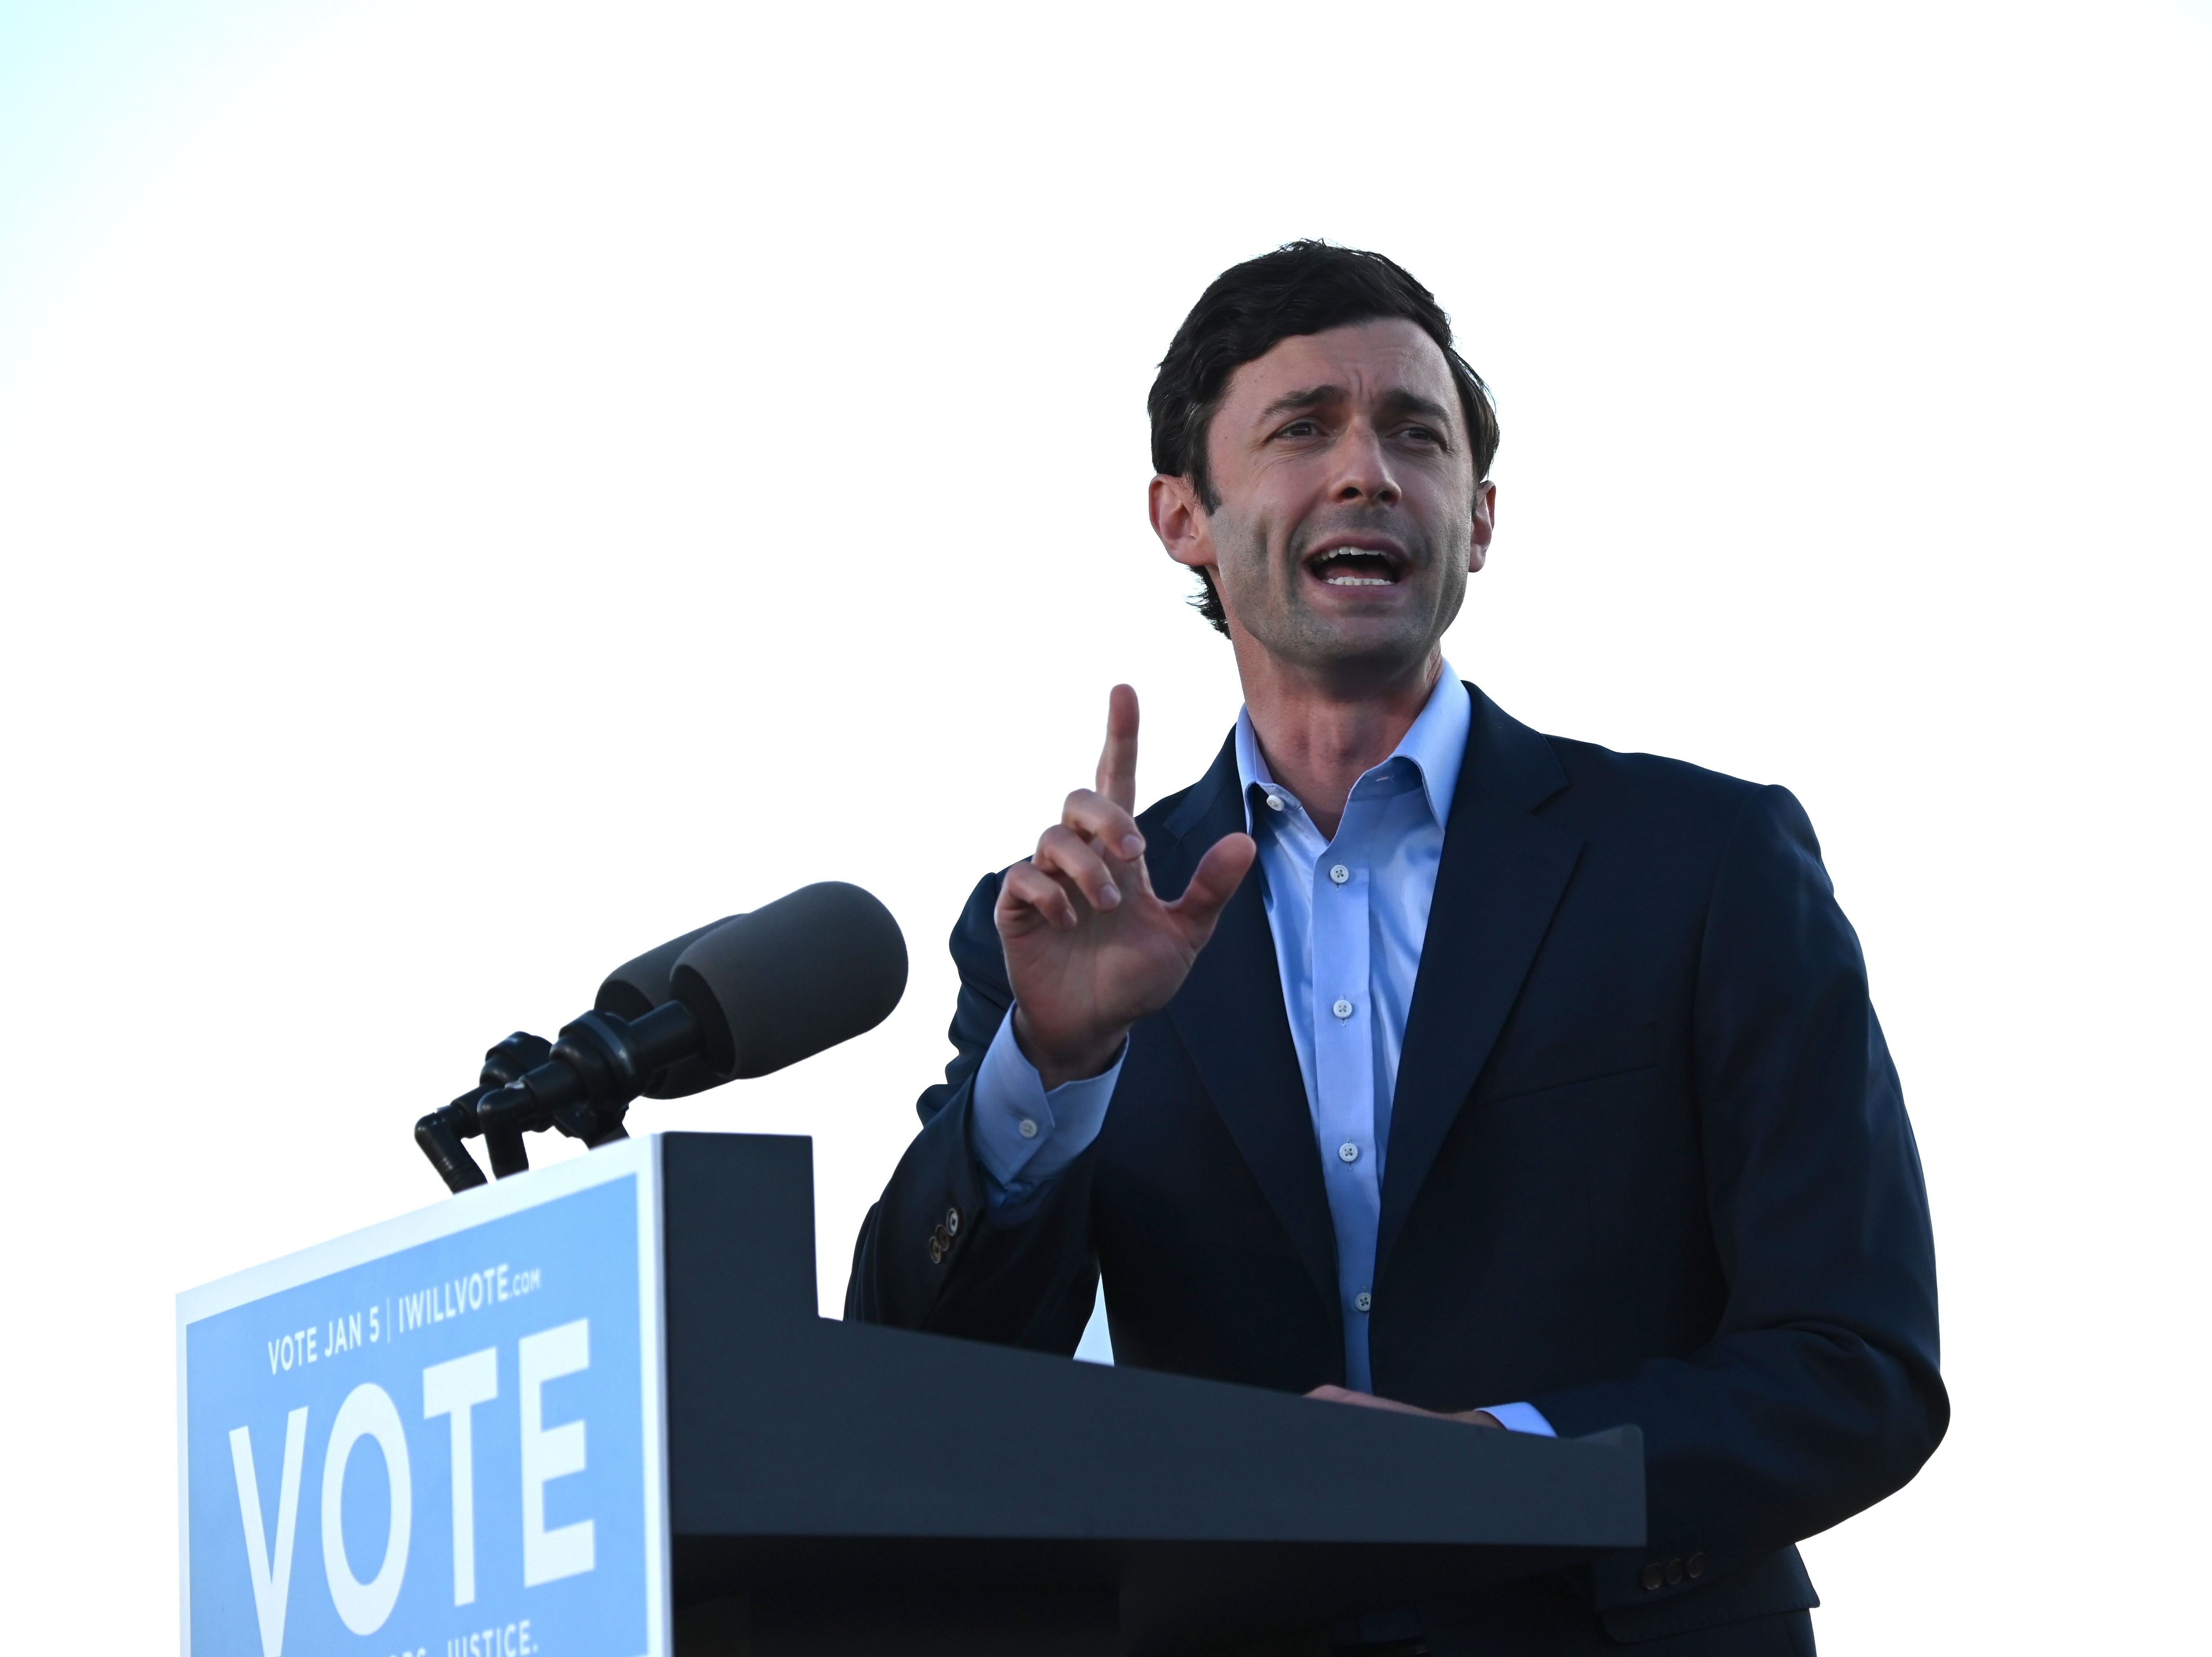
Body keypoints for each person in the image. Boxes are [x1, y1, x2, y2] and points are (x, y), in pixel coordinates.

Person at [845, 241, 1945, 1656]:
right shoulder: (1070, 933)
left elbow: (1855, 1368)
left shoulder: (1704, 864)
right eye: (1302, 427)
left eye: (1414, 436)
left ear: (1476, 520)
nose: (1368, 470)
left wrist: (1504, 1462)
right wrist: (1053, 1065)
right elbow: (920, 1389)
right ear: (1183, 515)